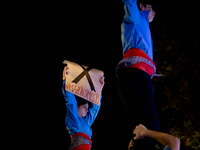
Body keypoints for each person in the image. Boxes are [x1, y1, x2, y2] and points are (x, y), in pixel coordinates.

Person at [117, 0, 160, 149]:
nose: (154, 12)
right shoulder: (136, 17)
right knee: (150, 122)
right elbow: (130, 2)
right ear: (142, 7)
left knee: (141, 125)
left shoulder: (143, 26)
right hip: (135, 74)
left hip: (134, 75)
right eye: (151, 7)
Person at [62, 66, 105, 150]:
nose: (87, 110)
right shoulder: (73, 119)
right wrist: (65, 80)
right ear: (77, 106)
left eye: (87, 108)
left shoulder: (86, 122)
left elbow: (95, 109)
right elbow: (71, 101)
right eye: (85, 107)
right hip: (80, 146)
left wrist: (99, 90)